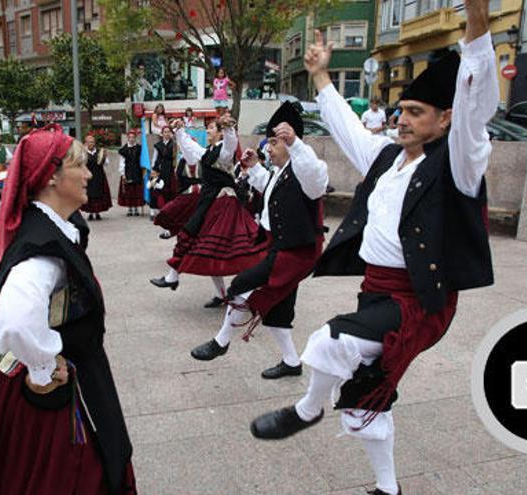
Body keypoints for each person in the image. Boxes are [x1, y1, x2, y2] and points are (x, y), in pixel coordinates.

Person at [249, 1, 498, 493]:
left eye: (416, 112)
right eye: (402, 110)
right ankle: (388, 488)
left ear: (445, 120)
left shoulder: (460, 163)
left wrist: (477, 25)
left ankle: (306, 411)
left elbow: (476, 104)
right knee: (367, 396)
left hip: (421, 300)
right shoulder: (387, 157)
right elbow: (346, 128)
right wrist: (320, 77)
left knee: (328, 341)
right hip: (377, 293)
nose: (402, 120)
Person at [0, 124, 136, 495]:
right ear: (51, 176)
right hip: (48, 390)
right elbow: (16, 320)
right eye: (79, 166)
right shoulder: (42, 249)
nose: (88, 174)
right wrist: (45, 364)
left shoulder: (54, 227)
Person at [189, 102, 329, 380]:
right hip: (280, 246)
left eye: (274, 143)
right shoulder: (281, 171)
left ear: (290, 142)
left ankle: (221, 341)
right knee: (279, 310)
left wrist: (296, 144)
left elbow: (316, 180)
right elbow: (270, 188)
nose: (268, 148)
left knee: (243, 285)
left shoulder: (307, 168)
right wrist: (253, 167)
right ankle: (291, 362)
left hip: (297, 251)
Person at [150, 115, 266, 291]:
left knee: (231, 249)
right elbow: (191, 148)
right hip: (210, 203)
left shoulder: (224, 152)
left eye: (211, 127)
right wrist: (180, 130)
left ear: (219, 133)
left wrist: (228, 128)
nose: (207, 130)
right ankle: (211, 291)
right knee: (204, 247)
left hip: (223, 204)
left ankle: (254, 287)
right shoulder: (207, 152)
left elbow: (230, 143)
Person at [80, 134, 112, 221]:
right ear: (86, 143)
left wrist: (104, 157)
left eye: (93, 142)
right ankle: (90, 213)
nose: (91, 144)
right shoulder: (83, 153)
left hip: (99, 175)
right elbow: (80, 164)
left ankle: (97, 212)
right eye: (89, 142)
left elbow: (106, 164)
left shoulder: (100, 152)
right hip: (88, 176)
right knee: (89, 194)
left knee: (99, 193)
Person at [118, 129, 144, 216]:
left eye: (133, 137)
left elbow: (142, 160)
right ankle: (130, 208)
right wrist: (123, 174)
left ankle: (136, 208)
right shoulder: (124, 150)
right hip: (128, 171)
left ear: (135, 138)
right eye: (130, 137)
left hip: (137, 171)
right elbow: (122, 162)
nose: (131, 139)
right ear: (127, 138)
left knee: (136, 191)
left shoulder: (139, 148)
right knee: (129, 191)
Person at [151, 126, 178, 209]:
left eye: (168, 132)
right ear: (162, 134)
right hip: (159, 168)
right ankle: (156, 208)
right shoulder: (158, 145)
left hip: (170, 168)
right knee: (157, 188)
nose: (166, 134)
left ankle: (169, 208)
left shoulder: (174, 145)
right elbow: (154, 158)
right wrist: (153, 169)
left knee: (170, 189)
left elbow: (176, 158)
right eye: (165, 132)